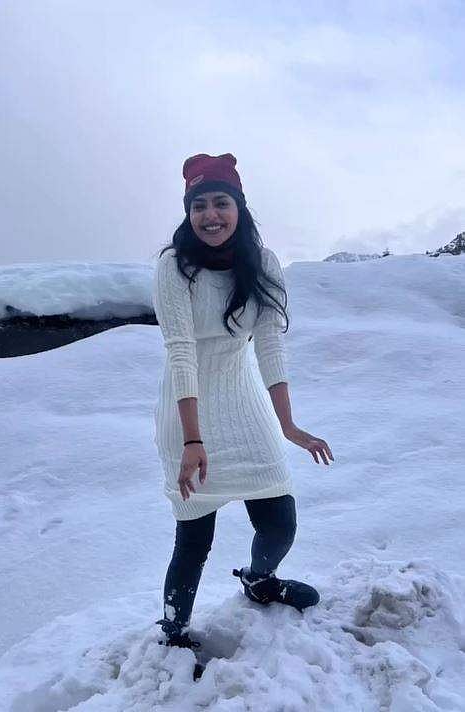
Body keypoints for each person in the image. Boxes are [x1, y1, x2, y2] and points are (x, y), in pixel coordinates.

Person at [152, 153, 334, 652]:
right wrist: (192, 439)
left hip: (242, 400)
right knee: (195, 537)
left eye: (221, 203)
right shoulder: (174, 265)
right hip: (186, 408)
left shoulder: (263, 262)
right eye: (199, 206)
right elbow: (181, 350)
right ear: (189, 212)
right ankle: (174, 633)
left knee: (280, 520)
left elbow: (270, 343)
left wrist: (288, 425)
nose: (210, 215)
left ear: (239, 207)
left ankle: (259, 580)